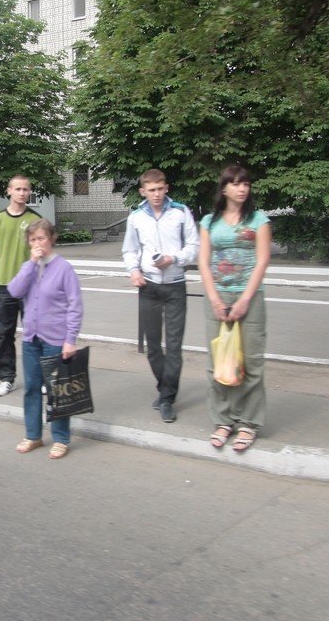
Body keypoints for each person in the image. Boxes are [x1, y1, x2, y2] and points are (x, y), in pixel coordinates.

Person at [198, 166, 271, 453]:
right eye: (236, 184)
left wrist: (244, 300)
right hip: (217, 295)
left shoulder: (259, 220)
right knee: (218, 362)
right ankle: (223, 420)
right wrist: (216, 299)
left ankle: (248, 423)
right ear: (224, 188)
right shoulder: (208, 221)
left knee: (251, 363)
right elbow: (203, 262)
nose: (242, 189)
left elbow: (262, 260)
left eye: (246, 184)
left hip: (249, 297)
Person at [121, 168, 200, 423]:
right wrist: (134, 271)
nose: (156, 194)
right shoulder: (136, 217)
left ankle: (166, 398)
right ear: (143, 191)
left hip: (176, 285)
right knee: (153, 346)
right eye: (151, 190)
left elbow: (194, 246)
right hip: (149, 287)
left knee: (174, 347)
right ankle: (165, 388)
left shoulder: (181, 212)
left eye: (160, 188)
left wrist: (174, 259)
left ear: (167, 188)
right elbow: (130, 250)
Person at [7, 219, 83, 460]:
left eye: (41, 238)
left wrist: (70, 340)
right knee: (31, 388)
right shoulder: (28, 266)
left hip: (55, 338)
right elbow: (14, 291)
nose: (37, 243)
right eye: (32, 240)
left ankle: (60, 438)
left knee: (56, 391)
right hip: (31, 338)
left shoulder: (64, 268)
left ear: (52, 238)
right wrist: (31, 263)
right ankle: (33, 435)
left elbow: (75, 306)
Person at [0, 174, 43, 397]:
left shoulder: (36, 219)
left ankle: (39, 378)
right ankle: (7, 378)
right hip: (5, 287)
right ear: (9, 191)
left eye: (26, 189)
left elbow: (43, 252)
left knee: (36, 333)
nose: (22, 193)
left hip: (32, 289)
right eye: (18, 189)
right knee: (5, 334)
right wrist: (11, 275)